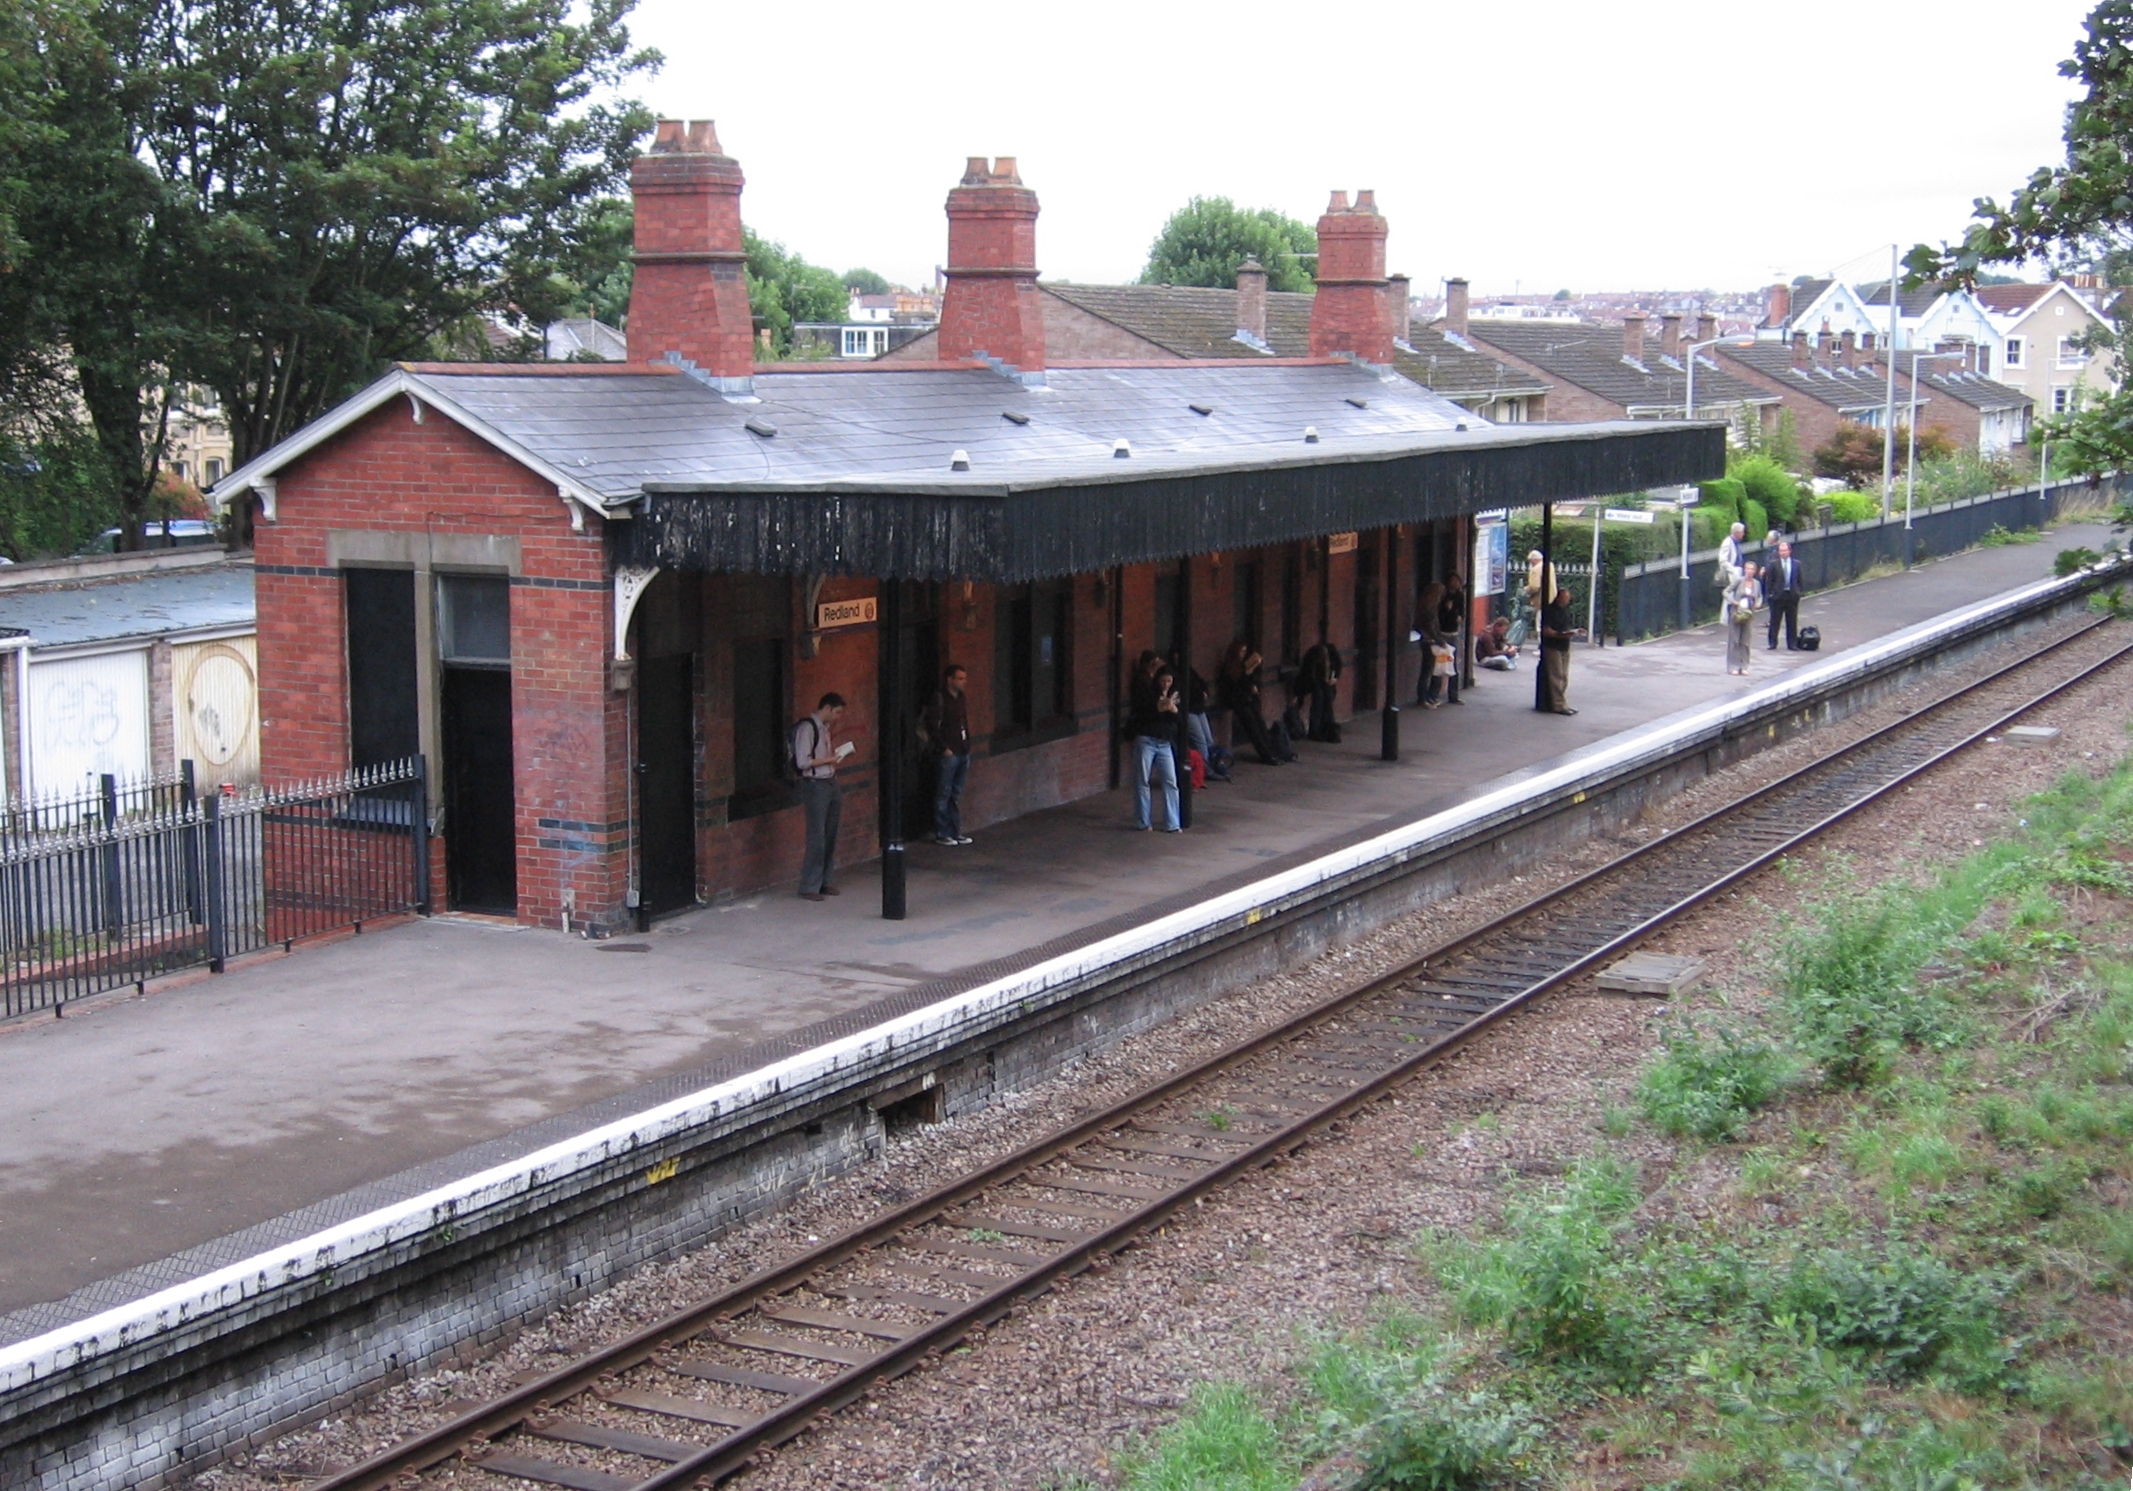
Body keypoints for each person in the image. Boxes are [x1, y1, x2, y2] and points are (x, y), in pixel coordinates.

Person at [792, 692, 848, 900]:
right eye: (837, 712)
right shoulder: (807, 728)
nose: (838, 717)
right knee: (817, 836)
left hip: (830, 781)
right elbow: (803, 762)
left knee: (830, 833)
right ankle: (809, 885)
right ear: (827, 708)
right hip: (815, 784)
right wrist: (829, 759)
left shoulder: (824, 729)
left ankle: (825, 881)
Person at [920, 664, 973, 845]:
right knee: (944, 792)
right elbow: (932, 726)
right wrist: (944, 748)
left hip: (962, 749)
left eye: (964, 678)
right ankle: (943, 832)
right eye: (960, 678)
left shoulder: (961, 698)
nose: (963, 682)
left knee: (955, 793)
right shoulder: (940, 699)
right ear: (949, 679)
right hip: (949, 752)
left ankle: (955, 830)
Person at [1128, 664, 1183, 831]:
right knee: (1142, 780)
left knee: (1170, 781)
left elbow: (1179, 722)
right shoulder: (1149, 694)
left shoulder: (1176, 696)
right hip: (1147, 740)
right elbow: (1142, 715)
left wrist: (1173, 710)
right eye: (1163, 681)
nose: (1166, 684)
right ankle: (1143, 822)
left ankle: (1172, 823)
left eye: (1169, 681)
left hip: (1164, 742)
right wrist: (1157, 708)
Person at [1218, 642, 1291, 764]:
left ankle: (1272, 750)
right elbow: (1235, 688)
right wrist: (1246, 674)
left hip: (1246, 699)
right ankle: (1265, 754)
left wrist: (1250, 677)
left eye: (1244, 652)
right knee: (1252, 726)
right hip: (1236, 700)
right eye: (1241, 652)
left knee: (1260, 723)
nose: (1243, 655)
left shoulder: (1243, 666)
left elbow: (1248, 685)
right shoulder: (1229, 668)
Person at [1539, 585, 1584, 715]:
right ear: (1558, 598)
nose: (1567, 601)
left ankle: (1563, 702)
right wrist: (1561, 634)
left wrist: (1571, 632)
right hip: (1552, 646)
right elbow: (1547, 631)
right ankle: (1558, 704)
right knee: (1556, 676)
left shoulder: (1565, 610)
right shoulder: (1550, 611)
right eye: (1565, 598)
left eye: (1568, 599)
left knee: (1564, 676)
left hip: (1564, 645)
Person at [1294, 638, 1343, 741]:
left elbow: (1338, 665)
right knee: (1318, 701)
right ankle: (1315, 731)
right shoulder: (1311, 657)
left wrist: (1335, 678)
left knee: (1328, 700)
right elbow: (1306, 675)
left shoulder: (1331, 652)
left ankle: (1326, 728)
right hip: (1315, 680)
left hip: (1327, 679)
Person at [1764, 541, 1806, 650]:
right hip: (1778, 596)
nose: (1782, 553)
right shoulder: (1774, 564)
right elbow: (1770, 581)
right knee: (1775, 620)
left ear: (1789, 551)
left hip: (1792, 595)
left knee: (1792, 620)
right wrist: (1771, 594)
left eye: (1785, 550)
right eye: (1781, 551)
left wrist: (1799, 592)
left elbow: (1800, 579)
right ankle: (1772, 642)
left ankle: (1792, 643)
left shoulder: (1797, 564)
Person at [1724, 562, 1762, 676]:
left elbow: (1760, 596)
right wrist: (1733, 601)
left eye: (1751, 569)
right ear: (1744, 570)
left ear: (1754, 571)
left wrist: (1758, 603)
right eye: (1747, 569)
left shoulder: (1757, 583)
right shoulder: (1739, 581)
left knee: (1745, 641)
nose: (1749, 571)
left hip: (1749, 614)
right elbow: (1726, 591)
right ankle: (1733, 666)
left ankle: (1744, 666)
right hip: (1737, 613)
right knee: (1734, 640)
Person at [1417, 581, 1450, 707]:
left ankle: (1426, 697)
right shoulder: (1429, 608)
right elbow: (1431, 627)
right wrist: (1439, 639)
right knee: (1428, 670)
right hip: (1429, 641)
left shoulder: (1424, 605)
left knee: (1428, 669)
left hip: (1427, 640)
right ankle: (1423, 698)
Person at [1440, 573, 1468, 705]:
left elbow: (1462, 611)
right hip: (1442, 632)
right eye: (1453, 581)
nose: (1455, 584)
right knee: (1440, 663)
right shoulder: (1442, 595)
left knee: (1453, 663)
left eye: (1457, 581)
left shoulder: (1459, 595)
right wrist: (1448, 609)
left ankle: (1453, 695)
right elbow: (1440, 615)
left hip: (1453, 631)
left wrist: (1459, 617)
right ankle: (1434, 694)